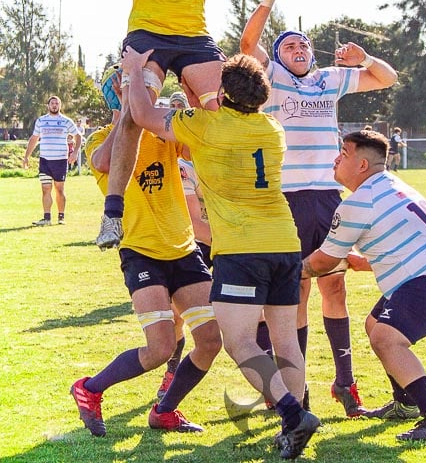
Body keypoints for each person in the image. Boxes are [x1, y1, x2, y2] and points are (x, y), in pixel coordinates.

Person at [97, 0, 337, 251]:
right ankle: (113, 214)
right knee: (135, 113)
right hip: (149, 31)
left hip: (193, 35)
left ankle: (229, 200)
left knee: (232, 106)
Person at [123, 47, 321, 460]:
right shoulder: (271, 128)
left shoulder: (205, 127)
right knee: (286, 342)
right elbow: (221, 110)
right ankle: (296, 418)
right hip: (285, 243)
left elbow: (143, 115)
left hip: (241, 250)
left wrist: (133, 72)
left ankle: (292, 414)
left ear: (222, 91)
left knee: (241, 344)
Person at [240, 0, 398, 417]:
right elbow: (249, 41)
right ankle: (295, 391)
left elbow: (386, 78)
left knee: (335, 289)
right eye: (290, 46)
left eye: (305, 44)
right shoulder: (270, 78)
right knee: (297, 294)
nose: (299, 49)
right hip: (286, 200)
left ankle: (345, 386)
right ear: (280, 56)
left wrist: (364, 58)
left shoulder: (329, 79)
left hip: (328, 197)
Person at [71, 75, 222, 437]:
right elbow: (105, 163)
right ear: (117, 95)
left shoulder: (161, 131)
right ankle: (89, 389)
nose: (146, 93)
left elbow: (195, 145)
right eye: (133, 88)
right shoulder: (100, 138)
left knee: (211, 340)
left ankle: (165, 410)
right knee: (160, 348)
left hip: (184, 250)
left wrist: (192, 100)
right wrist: (128, 112)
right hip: (141, 251)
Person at [301, 130, 426, 444]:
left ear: (362, 164)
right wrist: (360, 262)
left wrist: (285, 273)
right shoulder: (394, 185)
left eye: (344, 152)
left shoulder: (357, 203)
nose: (336, 159)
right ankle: (405, 403)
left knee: (386, 338)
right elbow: (404, 241)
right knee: (374, 324)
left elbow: (323, 262)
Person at [156, 90, 213, 401]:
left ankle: (273, 388)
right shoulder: (180, 166)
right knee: (179, 316)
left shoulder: (219, 158)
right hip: (198, 245)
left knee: (253, 312)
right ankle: (171, 372)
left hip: (226, 240)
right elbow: (196, 225)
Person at [23, 95, 81, 226]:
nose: (54, 105)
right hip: (45, 160)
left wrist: (75, 152)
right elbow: (34, 138)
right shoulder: (41, 121)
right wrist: (26, 156)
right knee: (45, 189)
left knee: (59, 189)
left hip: (60, 160)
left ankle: (61, 217)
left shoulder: (66, 121)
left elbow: (78, 136)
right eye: (52, 103)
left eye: (57, 103)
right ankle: (46, 218)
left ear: (60, 106)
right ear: (48, 106)